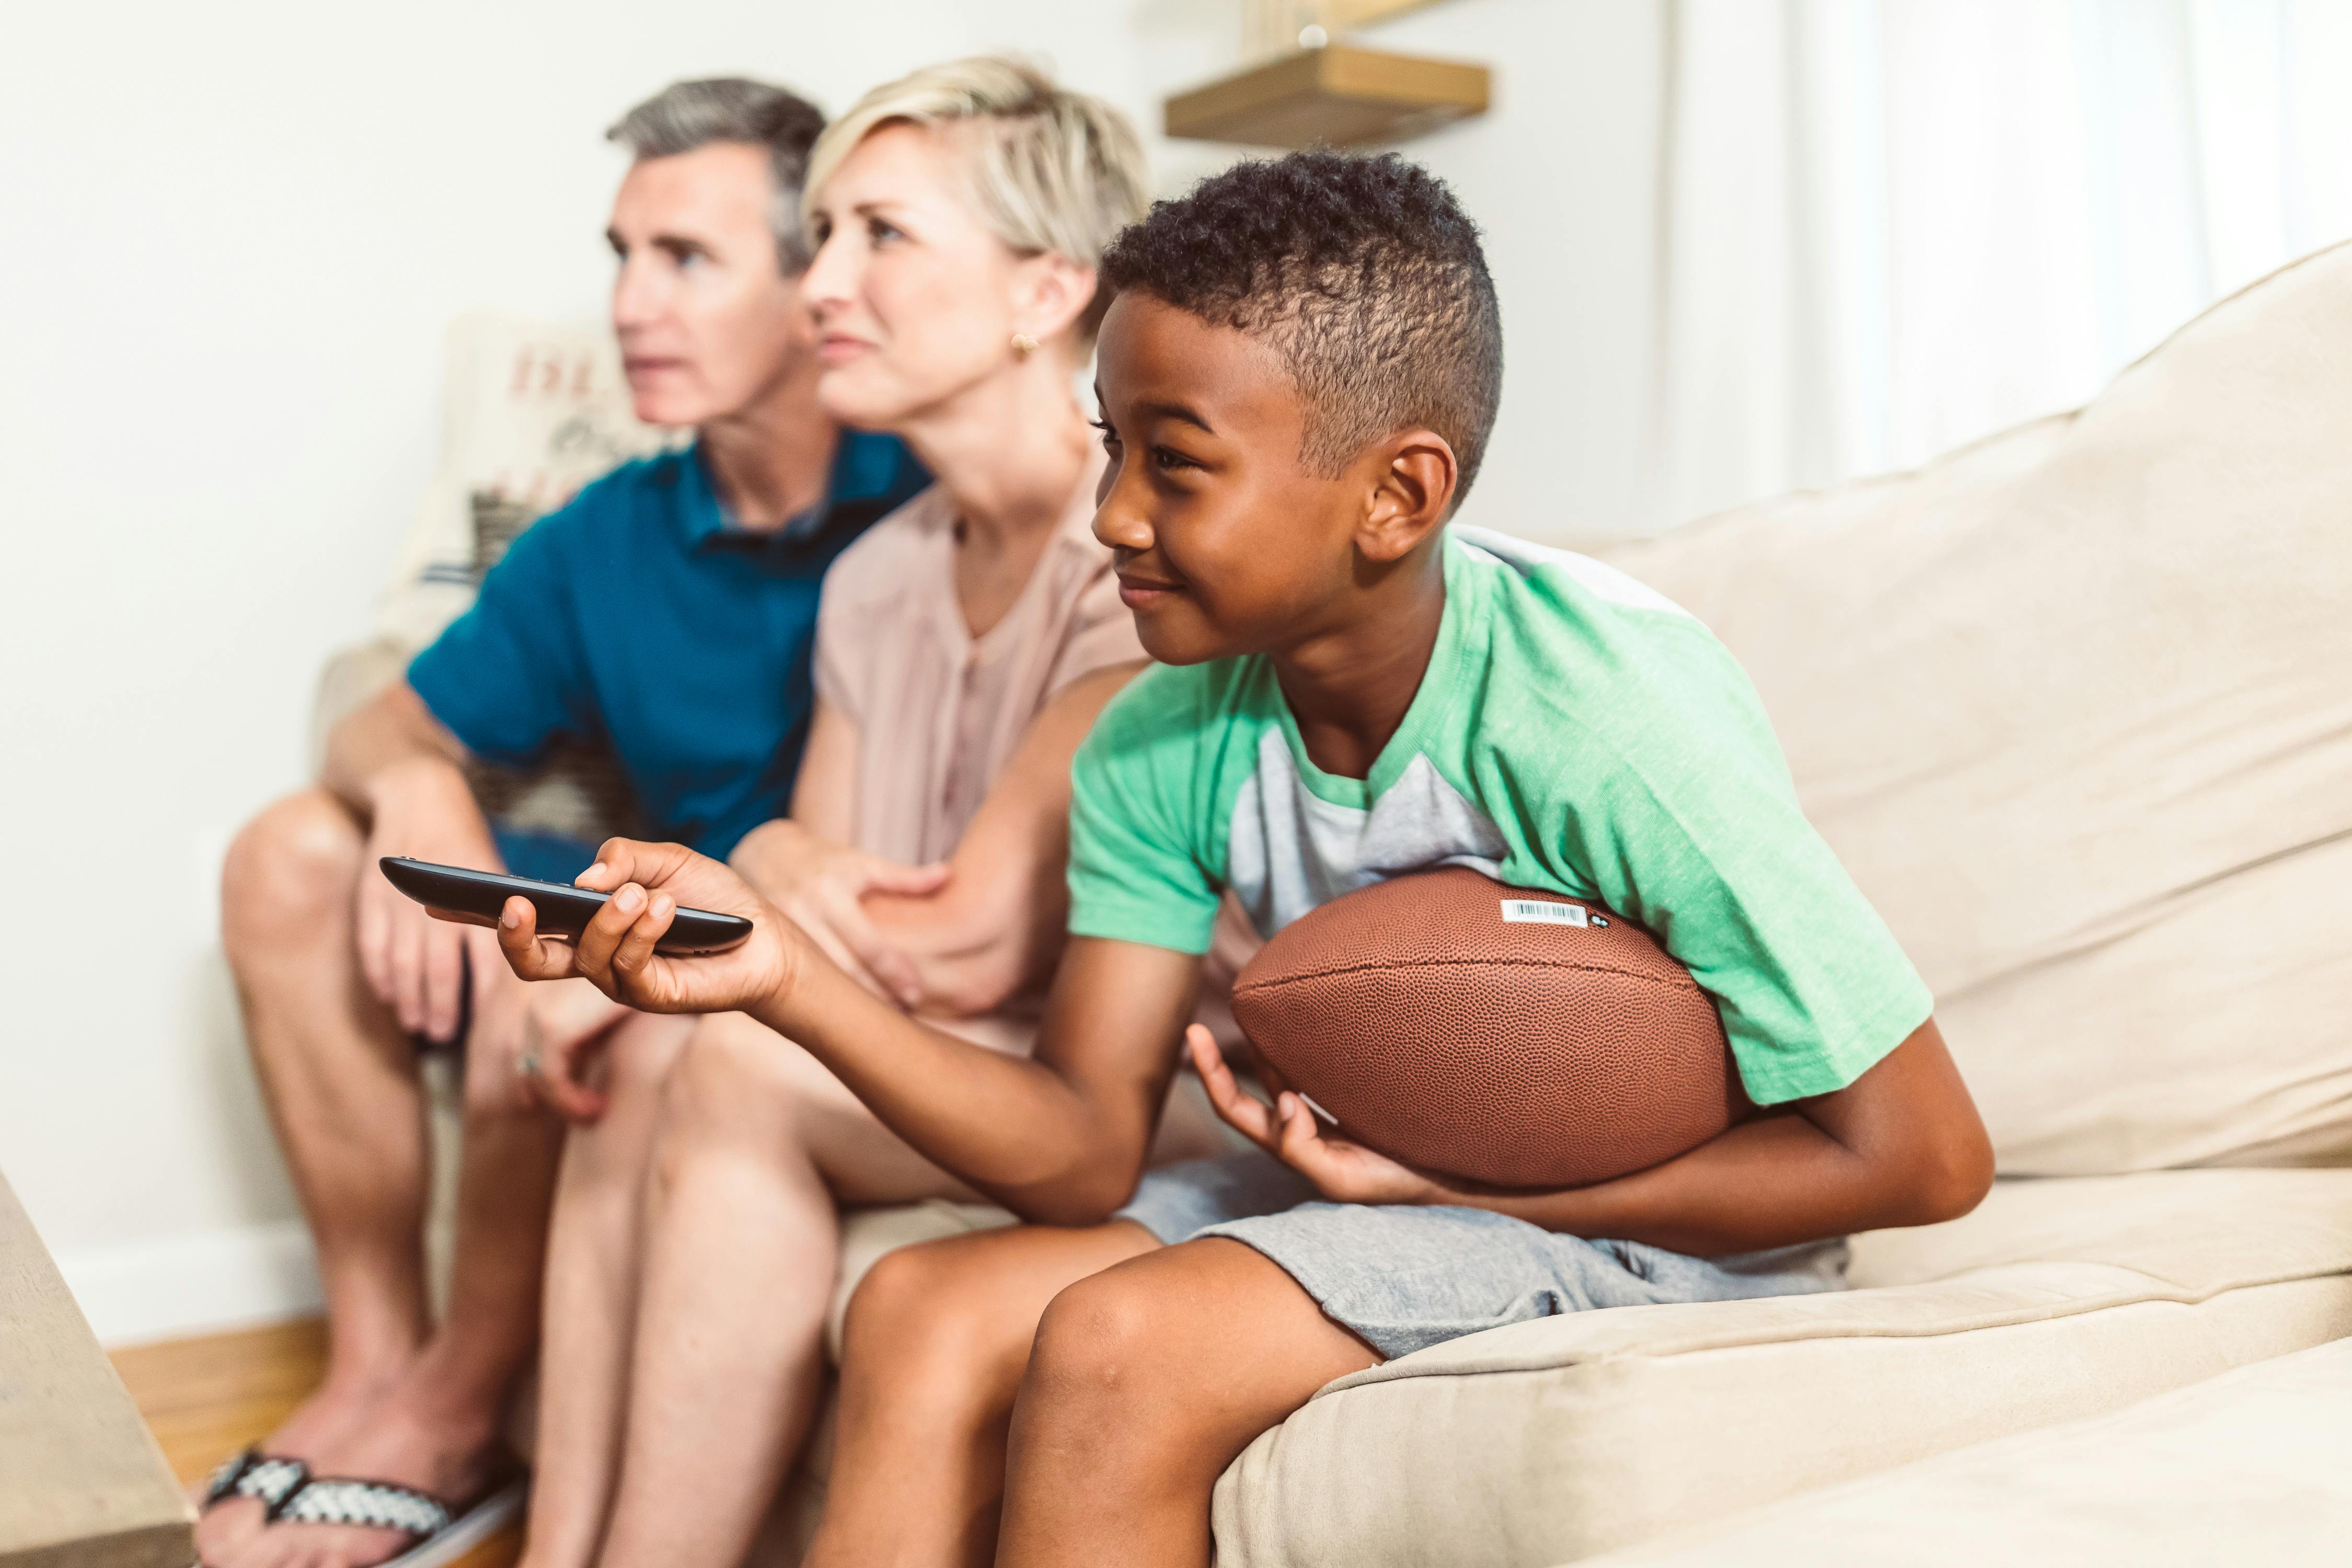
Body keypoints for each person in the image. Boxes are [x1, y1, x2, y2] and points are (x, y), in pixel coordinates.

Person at [479, 151, 1998, 1568]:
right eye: (1111, 448)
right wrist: (784, 976)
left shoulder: (1601, 716)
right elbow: (1082, 1143)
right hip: (1387, 1182)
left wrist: (1467, 1190)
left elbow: (1924, 1158)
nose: (1112, 516)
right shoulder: (1161, 732)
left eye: (1177, 464)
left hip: (1681, 1230)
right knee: (921, 1307)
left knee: (1121, 1342)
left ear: (1397, 497)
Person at [509, 57, 1238, 1568]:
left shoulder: (1145, 563)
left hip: (1166, 1081)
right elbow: (815, 912)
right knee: (649, 1044)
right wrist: (775, 865)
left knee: (730, 1062)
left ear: (1046, 291)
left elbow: (958, 943)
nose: (822, 283)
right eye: (823, 233)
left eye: (881, 236)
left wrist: (781, 869)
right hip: (959, 1047)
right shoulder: (876, 577)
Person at [206, 78, 926, 1568]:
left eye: (685, 259)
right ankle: (373, 1366)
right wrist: (420, 783)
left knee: (564, 983)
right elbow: (382, 720)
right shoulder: (610, 530)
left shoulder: (928, 503)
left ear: (818, 287)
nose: (630, 305)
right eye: (621, 256)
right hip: (662, 902)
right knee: (289, 855)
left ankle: (455, 1411)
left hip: (813, 943)